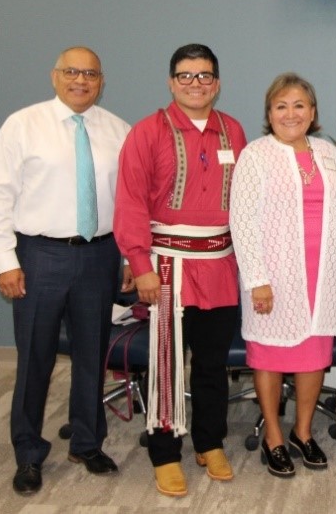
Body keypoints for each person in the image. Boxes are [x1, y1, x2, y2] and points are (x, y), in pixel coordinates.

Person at [0, 46, 131, 495]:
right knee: (35, 360)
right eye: (71, 71)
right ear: (54, 76)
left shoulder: (117, 130)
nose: (80, 80)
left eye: (90, 73)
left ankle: (86, 442)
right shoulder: (22, 125)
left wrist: (126, 258)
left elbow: (127, 203)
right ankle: (28, 454)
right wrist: (5, 260)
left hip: (100, 255)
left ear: (101, 81)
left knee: (92, 355)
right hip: (39, 255)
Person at [113, 44, 247, 497]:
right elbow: (130, 201)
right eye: (186, 76)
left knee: (212, 364)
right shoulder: (147, 132)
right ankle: (165, 452)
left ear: (218, 82)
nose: (196, 84)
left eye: (205, 75)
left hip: (220, 266)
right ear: (171, 82)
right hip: (166, 268)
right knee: (166, 363)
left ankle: (210, 443)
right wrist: (139, 264)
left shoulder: (234, 131)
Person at [230, 73, 336, 479]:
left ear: (312, 113)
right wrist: (256, 278)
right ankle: (274, 435)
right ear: (269, 113)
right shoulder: (256, 155)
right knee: (270, 355)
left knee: (314, 356)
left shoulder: (329, 152)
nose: (290, 113)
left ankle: (303, 431)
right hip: (273, 276)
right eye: (281, 106)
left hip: (323, 274)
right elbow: (241, 221)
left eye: (299, 106)